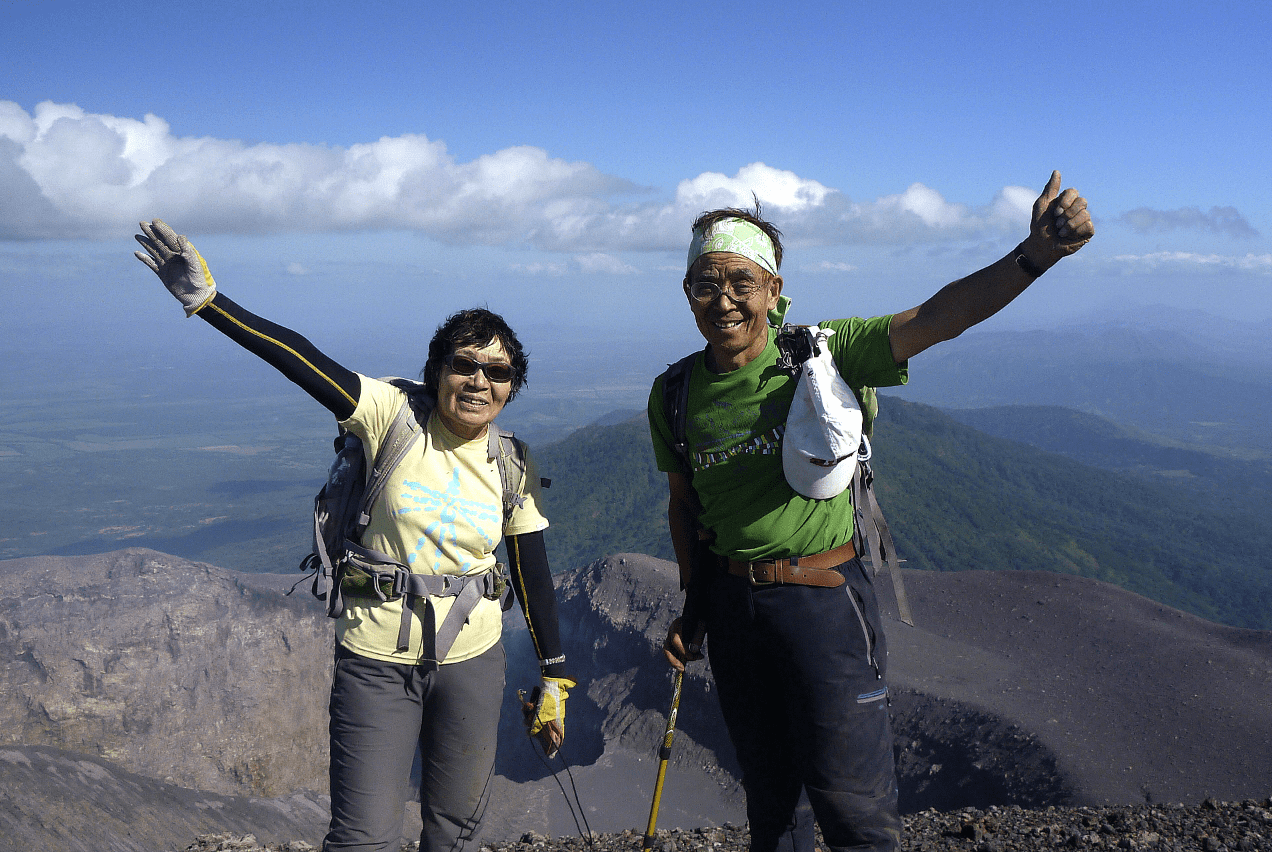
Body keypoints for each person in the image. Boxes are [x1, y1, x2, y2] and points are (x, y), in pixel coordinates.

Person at [649, 172, 1093, 852]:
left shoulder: (824, 354)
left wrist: (1035, 254)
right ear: (687, 295)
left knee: (854, 813)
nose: (725, 300)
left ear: (773, 289)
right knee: (773, 811)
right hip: (734, 614)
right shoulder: (675, 392)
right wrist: (695, 608)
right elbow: (687, 506)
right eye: (706, 283)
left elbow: (939, 319)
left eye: (743, 281)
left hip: (823, 605)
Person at [133, 220, 574, 852]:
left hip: (475, 660)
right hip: (374, 657)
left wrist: (554, 677)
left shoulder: (512, 462)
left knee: (458, 834)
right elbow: (303, 359)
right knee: (364, 837)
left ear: (512, 387)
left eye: (498, 372)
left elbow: (532, 568)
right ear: (437, 369)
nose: (480, 380)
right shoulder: (389, 415)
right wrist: (209, 303)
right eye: (465, 364)